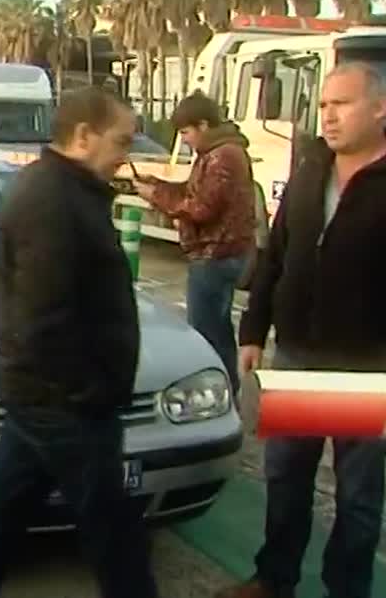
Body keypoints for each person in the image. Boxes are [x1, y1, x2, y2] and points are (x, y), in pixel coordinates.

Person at [0, 87, 157, 598]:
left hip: (43, 397)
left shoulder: (67, 192)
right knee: (116, 535)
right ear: (83, 137)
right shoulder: (53, 202)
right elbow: (42, 317)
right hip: (65, 403)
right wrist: (89, 391)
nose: (126, 155)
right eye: (121, 141)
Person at [218, 62, 386, 598]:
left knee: (358, 497)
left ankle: (348, 589)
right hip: (297, 355)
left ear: (380, 108)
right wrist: (253, 328)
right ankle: (274, 579)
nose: (329, 116)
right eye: (324, 106)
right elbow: (277, 253)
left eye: (343, 104)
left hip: (367, 365)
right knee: (287, 479)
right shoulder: (312, 166)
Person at [132, 92, 256, 389]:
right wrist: (159, 185)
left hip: (215, 254)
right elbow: (195, 191)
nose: (185, 140)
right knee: (218, 330)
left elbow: (201, 207)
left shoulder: (222, 155)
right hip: (218, 252)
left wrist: (157, 196)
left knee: (207, 333)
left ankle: (219, 391)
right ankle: (228, 389)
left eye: (186, 132)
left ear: (203, 125)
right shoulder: (217, 153)